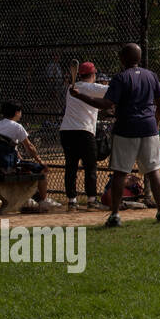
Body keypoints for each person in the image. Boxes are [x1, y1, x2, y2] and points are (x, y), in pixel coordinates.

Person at [70, 44, 160, 226]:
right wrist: (155, 124)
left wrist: (79, 96)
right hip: (148, 128)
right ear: (139, 58)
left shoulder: (121, 77)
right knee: (154, 171)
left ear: (123, 59)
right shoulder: (151, 75)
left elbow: (106, 104)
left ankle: (115, 215)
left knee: (120, 173)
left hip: (126, 128)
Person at [0, 101, 54, 212]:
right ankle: (43, 201)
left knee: (25, 166)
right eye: (20, 111)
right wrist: (40, 160)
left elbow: (4, 143)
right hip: (6, 165)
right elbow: (30, 147)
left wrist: (18, 156)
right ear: (17, 112)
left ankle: (29, 200)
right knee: (42, 169)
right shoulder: (17, 126)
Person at [60, 61, 107, 210]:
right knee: (90, 166)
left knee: (71, 166)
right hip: (83, 131)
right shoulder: (92, 87)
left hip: (66, 131)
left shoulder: (71, 88)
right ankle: (92, 200)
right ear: (93, 74)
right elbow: (113, 90)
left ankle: (72, 201)